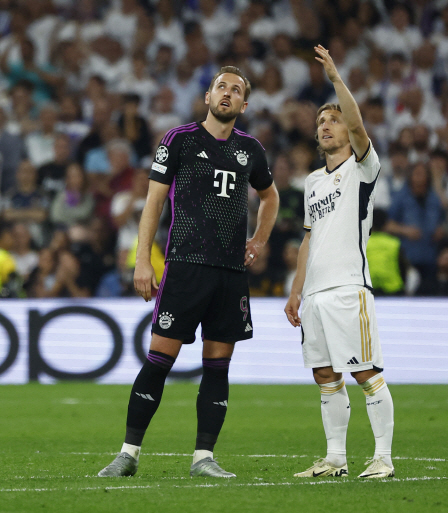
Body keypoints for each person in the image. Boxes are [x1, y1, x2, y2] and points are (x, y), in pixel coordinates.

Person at [98, 66, 279, 479]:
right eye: (221, 87)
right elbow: (153, 202)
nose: (227, 93)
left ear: (244, 104)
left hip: (230, 272)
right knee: (159, 359)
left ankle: (203, 458)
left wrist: (258, 240)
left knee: (217, 366)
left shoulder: (251, 149)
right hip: (185, 267)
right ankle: (128, 454)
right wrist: (143, 259)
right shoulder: (179, 139)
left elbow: (270, 197)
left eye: (236, 90)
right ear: (208, 96)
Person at [284, 46, 394, 480]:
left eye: (333, 120)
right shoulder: (312, 182)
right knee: (326, 376)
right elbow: (308, 239)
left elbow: (359, 124)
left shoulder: (363, 169)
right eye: (320, 122)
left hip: (350, 288)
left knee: (366, 372)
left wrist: (335, 79)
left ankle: (383, 457)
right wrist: (296, 291)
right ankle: (335, 459)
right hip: (315, 295)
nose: (326, 126)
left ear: (348, 130)